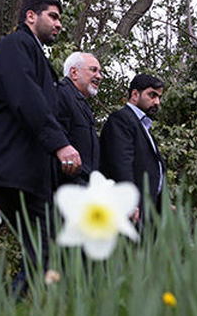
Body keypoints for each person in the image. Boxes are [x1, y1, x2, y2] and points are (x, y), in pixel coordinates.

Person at [0, 0, 81, 278]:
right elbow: (26, 99)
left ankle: (18, 302)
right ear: (30, 16)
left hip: (26, 175)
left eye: (60, 19)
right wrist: (60, 145)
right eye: (53, 16)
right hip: (1, 171)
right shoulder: (14, 46)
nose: (59, 24)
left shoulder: (34, 54)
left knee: (44, 252)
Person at [100, 73, 166, 226]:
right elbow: (120, 164)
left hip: (148, 209)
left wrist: (162, 202)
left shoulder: (142, 125)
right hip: (132, 210)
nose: (157, 102)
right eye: (152, 95)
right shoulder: (121, 120)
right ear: (135, 94)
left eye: (159, 97)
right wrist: (128, 201)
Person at [55, 51, 102, 186]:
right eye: (93, 70)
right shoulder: (61, 93)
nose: (99, 76)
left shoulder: (82, 103)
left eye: (100, 72)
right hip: (67, 184)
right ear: (74, 73)